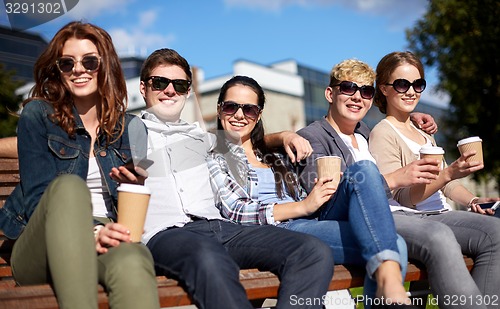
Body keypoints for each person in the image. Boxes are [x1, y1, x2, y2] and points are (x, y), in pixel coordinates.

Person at [112, 48, 335, 309]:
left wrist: (285, 135)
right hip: (167, 234)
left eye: (180, 84)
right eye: (160, 83)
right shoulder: (125, 133)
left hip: (221, 228)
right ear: (143, 87)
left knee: (312, 251)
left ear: (187, 92)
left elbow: (252, 139)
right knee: (209, 257)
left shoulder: (203, 138)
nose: (170, 90)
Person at [208, 75, 421, 309]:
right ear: (219, 110)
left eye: (249, 109)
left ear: (258, 115)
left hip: (309, 221)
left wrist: (287, 139)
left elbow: (274, 155)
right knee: (396, 245)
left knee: (365, 169)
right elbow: (235, 211)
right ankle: (392, 293)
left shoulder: (274, 155)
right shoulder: (215, 157)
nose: (239, 115)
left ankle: (390, 289)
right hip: (275, 232)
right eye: (231, 107)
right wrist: (303, 206)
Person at [0, 22, 160, 309]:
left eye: (89, 61)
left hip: (107, 234)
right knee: (69, 187)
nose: (78, 69)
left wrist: (133, 189)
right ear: (58, 70)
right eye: (66, 63)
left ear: (106, 65)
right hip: (40, 246)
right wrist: (92, 233)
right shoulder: (37, 115)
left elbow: (129, 215)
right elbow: (38, 201)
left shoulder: (131, 128)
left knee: (134, 260)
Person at [369, 51, 500, 308]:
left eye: (418, 84)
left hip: (439, 214)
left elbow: (445, 184)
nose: (411, 91)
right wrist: (448, 172)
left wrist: (473, 199)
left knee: (496, 230)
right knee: (458, 236)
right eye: (401, 84)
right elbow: (404, 198)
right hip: (410, 218)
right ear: (384, 89)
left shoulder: (423, 133)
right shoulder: (383, 133)